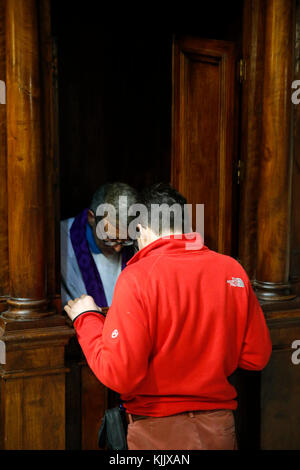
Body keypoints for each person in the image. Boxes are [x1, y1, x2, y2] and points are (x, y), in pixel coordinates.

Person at [64, 182, 272, 450]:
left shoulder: (136, 277)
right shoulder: (232, 270)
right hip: (219, 429)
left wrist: (87, 318)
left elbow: (120, 373)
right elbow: (255, 357)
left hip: (157, 433)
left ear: (142, 229)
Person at [60, 182, 138, 308]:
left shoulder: (138, 241)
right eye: (110, 239)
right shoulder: (61, 239)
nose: (118, 249)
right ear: (91, 218)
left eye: (125, 241)